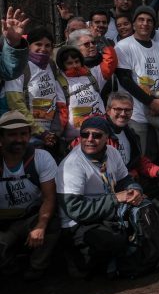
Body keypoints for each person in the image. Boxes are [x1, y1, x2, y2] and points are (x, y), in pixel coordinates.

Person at [56, 115, 148, 275]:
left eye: (97, 135)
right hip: (78, 223)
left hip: (105, 211)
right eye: (85, 134)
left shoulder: (112, 152)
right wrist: (115, 199)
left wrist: (135, 190)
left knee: (145, 211)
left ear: (107, 137)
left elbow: (124, 179)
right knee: (113, 240)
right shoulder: (72, 164)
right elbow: (75, 210)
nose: (90, 139)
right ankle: (79, 260)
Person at [0, 111, 59, 280]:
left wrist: (41, 225)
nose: (19, 139)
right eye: (12, 134)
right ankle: (9, 264)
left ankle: (37, 267)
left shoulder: (41, 157)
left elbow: (49, 198)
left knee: (53, 223)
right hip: (3, 223)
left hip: (30, 217)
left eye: (23, 134)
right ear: (1, 137)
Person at [114, 6, 159, 166]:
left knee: (155, 157)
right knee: (138, 159)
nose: (145, 23)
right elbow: (125, 80)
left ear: (154, 25)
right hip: (134, 114)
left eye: (149, 20)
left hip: (157, 113)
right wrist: (151, 102)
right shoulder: (123, 46)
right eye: (141, 20)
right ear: (134, 23)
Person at [3, 28, 65, 149]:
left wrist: (54, 132)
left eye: (47, 45)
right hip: (28, 136)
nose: (43, 49)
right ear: (28, 46)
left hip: (50, 135)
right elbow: (16, 104)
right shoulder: (19, 66)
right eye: (38, 44)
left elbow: (57, 100)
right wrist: (40, 132)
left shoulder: (51, 65)